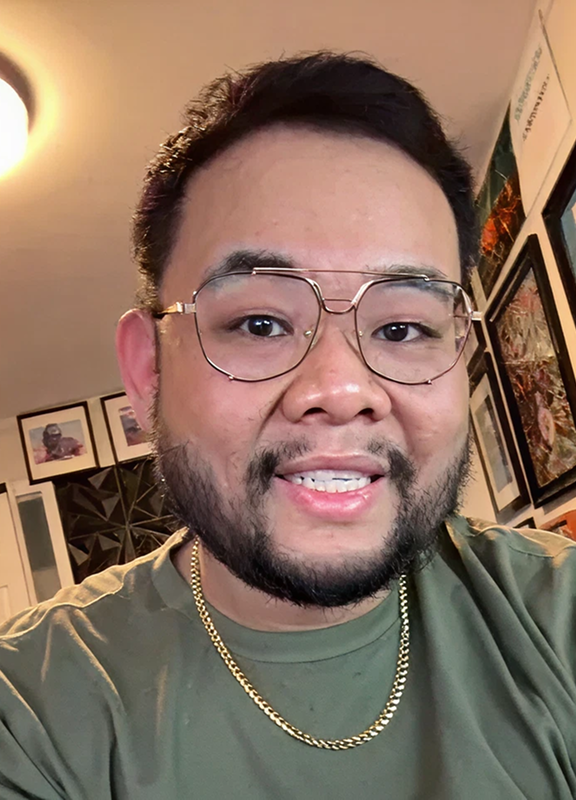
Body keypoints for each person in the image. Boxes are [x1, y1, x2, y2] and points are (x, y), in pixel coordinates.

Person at [0, 52, 575, 799]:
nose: (340, 389)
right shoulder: (30, 716)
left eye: (403, 328)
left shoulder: (556, 619)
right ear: (148, 375)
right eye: (261, 321)